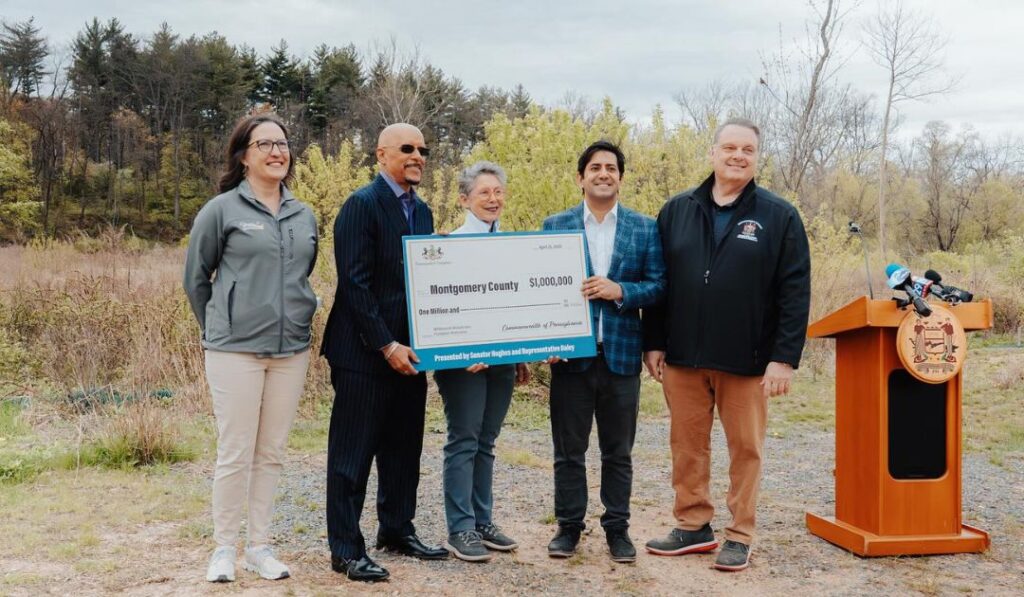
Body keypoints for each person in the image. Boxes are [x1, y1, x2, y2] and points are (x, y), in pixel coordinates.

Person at [642, 118, 811, 572]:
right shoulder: (676, 210)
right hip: (683, 357)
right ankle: (693, 525)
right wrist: (653, 341)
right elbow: (659, 281)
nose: (738, 156)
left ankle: (740, 533)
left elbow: (795, 291)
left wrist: (783, 358)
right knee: (687, 446)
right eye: (730, 148)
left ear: (757, 158)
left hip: (748, 360)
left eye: (747, 150)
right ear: (713, 153)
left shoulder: (779, 215)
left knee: (745, 450)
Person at [183, 113, 318, 583]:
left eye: (283, 144)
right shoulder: (221, 210)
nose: (277, 152)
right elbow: (196, 279)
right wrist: (221, 327)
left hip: (290, 351)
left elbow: (301, 276)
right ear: (243, 155)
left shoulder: (303, 214)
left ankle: (259, 548)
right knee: (235, 451)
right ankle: (223, 549)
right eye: (265, 144)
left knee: (272, 452)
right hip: (234, 351)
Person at [321, 123, 447, 583]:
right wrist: (385, 343)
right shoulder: (361, 205)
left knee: (403, 450)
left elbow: (425, 284)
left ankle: (396, 530)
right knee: (352, 456)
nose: (417, 156)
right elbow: (354, 285)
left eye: (423, 150)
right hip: (363, 353)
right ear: (381, 155)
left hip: (412, 354)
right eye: (407, 148)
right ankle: (345, 550)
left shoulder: (424, 211)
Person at [541, 140, 666, 563]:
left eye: (611, 168)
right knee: (568, 452)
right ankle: (568, 527)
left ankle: (617, 529)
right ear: (581, 177)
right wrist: (547, 340)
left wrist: (621, 291)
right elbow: (538, 288)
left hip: (622, 355)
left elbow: (659, 286)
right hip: (570, 357)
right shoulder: (555, 226)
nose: (603, 174)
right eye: (595, 167)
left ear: (620, 178)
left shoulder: (643, 227)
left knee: (619, 452)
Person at [434, 161, 531, 562]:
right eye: (484, 193)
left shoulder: (511, 245)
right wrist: (464, 350)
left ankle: (482, 521)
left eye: (498, 192)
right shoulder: (446, 246)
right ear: (464, 199)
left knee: (487, 441)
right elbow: (440, 307)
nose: (493, 199)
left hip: (502, 362)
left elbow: (514, 301)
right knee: (464, 439)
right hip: (463, 364)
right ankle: (460, 528)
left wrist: (520, 353)